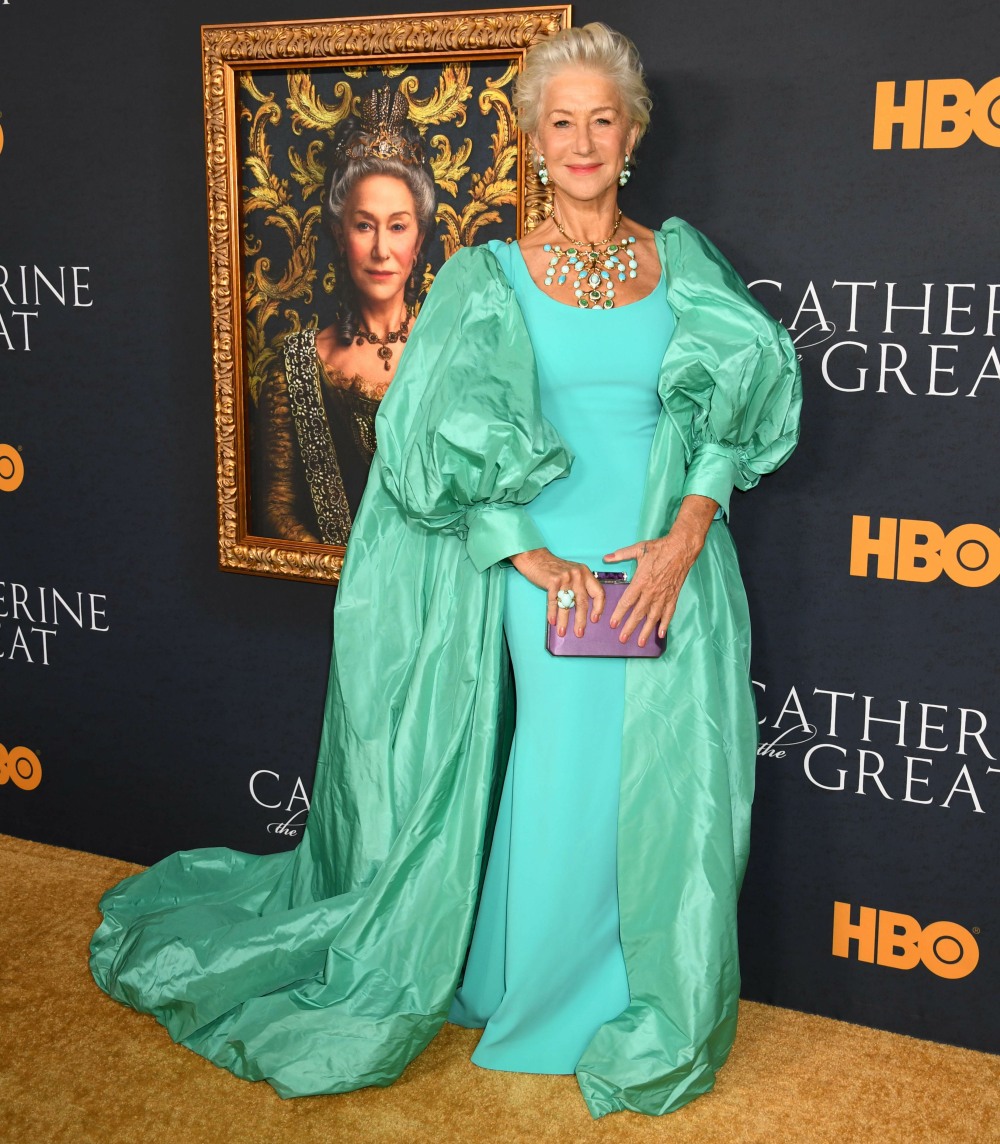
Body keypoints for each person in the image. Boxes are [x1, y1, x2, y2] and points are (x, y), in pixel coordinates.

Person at [90, 25, 801, 1118]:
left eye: (599, 120)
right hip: (545, 570)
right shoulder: (489, 277)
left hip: (670, 562)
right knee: (566, 769)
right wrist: (531, 555)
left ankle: (598, 979)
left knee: (669, 787)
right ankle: (547, 1003)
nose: (580, 140)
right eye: (558, 121)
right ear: (530, 138)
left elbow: (728, 409)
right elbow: (439, 436)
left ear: (632, 133)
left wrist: (686, 536)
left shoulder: (683, 258)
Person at [258, 86, 436, 544]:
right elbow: (278, 515)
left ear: (417, 241)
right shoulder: (295, 370)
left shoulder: (452, 357)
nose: (381, 249)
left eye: (397, 226)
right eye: (364, 225)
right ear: (340, 236)